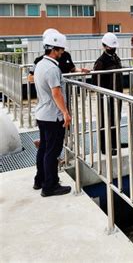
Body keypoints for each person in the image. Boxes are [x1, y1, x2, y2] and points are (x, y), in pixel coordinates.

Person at [28, 28, 89, 149]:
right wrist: (48, 80)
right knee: (52, 145)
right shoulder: (42, 62)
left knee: (56, 134)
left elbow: (71, 68)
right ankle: (54, 155)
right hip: (51, 101)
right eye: (60, 49)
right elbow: (31, 78)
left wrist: (80, 70)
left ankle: (65, 145)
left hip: (62, 97)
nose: (62, 52)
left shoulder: (64, 56)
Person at [33, 31, 72, 197]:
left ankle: (39, 180)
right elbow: (56, 93)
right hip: (52, 116)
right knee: (52, 151)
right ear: (54, 50)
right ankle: (50, 186)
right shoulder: (52, 69)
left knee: (43, 149)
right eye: (61, 50)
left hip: (42, 114)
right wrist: (65, 113)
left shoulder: (40, 64)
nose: (62, 53)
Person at [92, 32, 125, 155]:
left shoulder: (115, 57)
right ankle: (105, 146)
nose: (112, 49)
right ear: (104, 46)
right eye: (110, 47)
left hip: (117, 94)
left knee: (116, 118)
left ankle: (115, 142)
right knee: (106, 120)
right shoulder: (101, 62)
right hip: (105, 96)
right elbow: (96, 80)